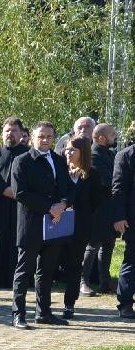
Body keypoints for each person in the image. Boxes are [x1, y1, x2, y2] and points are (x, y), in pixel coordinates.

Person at [10, 121, 73, 328]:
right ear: (32, 137)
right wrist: (49, 207)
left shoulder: (58, 159)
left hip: (55, 225)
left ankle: (43, 312)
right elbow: (20, 193)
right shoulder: (22, 161)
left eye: (48, 136)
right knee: (24, 270)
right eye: (41, 136)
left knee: (47, 271)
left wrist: (63, 204)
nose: (45, 140)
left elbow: (67, 188)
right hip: (31, 224)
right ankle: (18, 314)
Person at [59, 136, 107, 319]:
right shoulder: (59, 170)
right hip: (57, 225)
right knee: (50, 263)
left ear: (82, 152)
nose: (68, 152)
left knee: (74, 265)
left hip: (79, 227)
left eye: (73, 150)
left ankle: (69, 304)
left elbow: (97, 200)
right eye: (67, 149)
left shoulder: (91, 174)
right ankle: (44, 305)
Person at [0, 117, 28, 290]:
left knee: (18, 243)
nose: (10, 134)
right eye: (7, 131)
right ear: (2, 134)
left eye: (14, 130)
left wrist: (18, 192)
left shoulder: (29, 154)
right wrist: (4, 190)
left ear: (21, 133)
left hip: (22, 206)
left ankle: (16, 279)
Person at [84, 123, 119, 295]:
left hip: (110, 208)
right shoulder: (94, 154)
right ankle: (83, 281)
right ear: (101, 138)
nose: (116, 136)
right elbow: (109, 180)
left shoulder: (110, 154)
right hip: (97, 208)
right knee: (93, 246)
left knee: (109, 244)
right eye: (113, 134)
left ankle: (105, 282)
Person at [114, 137, 135, 319]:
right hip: (133, 218)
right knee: (132, 259)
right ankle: (125, 303)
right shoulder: (126, 156)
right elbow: (118, 189)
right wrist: (119, 217)